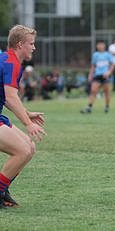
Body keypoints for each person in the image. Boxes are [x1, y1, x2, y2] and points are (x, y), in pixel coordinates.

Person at [0, 24, 47, 208]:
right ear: (20, 44)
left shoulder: (10, 60)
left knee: (30, 147)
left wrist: (27, 113)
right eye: (31, 43)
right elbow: (10, 97)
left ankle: (3, 191)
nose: (34, 47)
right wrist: (27, 123)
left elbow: (6, 97)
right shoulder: (11, 62)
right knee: (22, 150)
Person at [80, 41, 115, 114]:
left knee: (106, 92)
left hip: (105, 76)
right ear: (97, 46)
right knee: (93, 91)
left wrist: (108, 72)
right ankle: (89, 107)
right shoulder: (95, 55)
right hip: (97, 75)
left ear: (104, 46)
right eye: (99, 45)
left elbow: (112, 65)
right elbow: (93, 66)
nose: (100, 46)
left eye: (102, 45)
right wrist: (90, 75)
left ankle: (107, 107)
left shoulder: (107, 54)